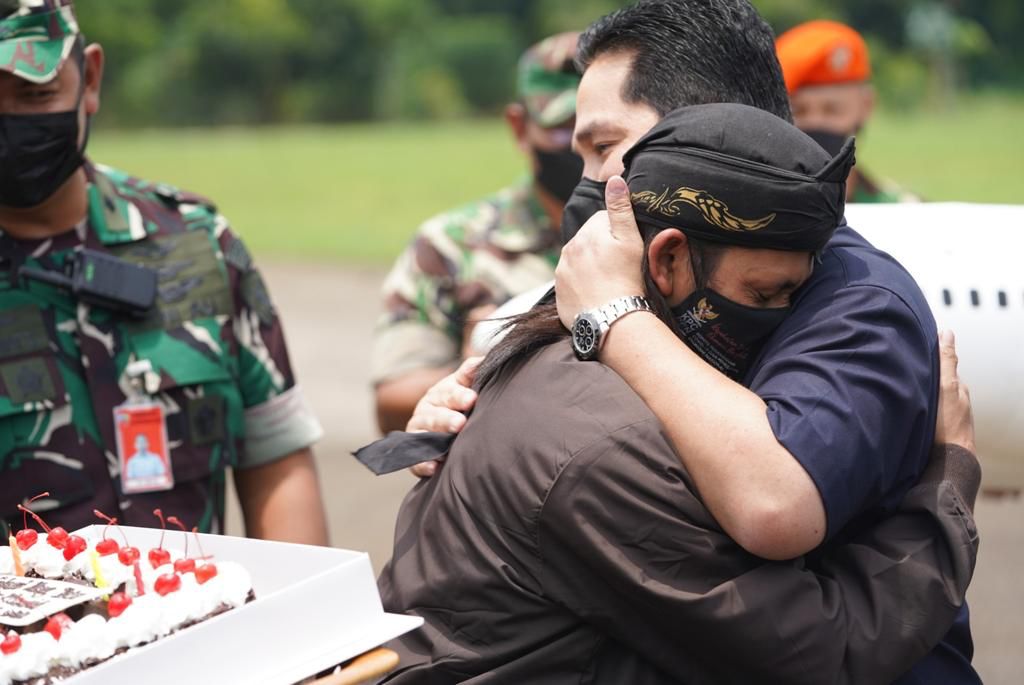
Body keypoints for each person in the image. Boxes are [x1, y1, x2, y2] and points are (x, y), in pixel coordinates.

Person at [404, 1, 978, 681]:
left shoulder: (853, 301)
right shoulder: (622, 281)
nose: (586, 183)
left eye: (602, 147)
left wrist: (615, 321)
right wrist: (457, 415)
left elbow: (775, 506)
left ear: (707, 129)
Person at [0, 0, 328, 544]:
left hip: (204, 618)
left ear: (90, 80)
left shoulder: (195, 242)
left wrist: (309, 621)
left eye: (36, 94)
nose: (11, 125)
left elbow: (277, 457)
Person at [371, 32, 582, 433]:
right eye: (565, 123)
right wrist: (482, 364)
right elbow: (392, 401)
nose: (580, 142)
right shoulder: (453, 244)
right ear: (519, 127)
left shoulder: (666, 233)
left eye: (602, 125)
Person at [776, 19, 919, 202]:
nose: (815, 122)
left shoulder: (904, 211)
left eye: (832, 110)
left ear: (866, 106)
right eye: (798, 110)